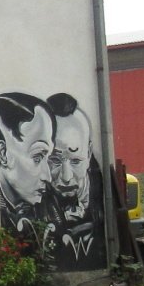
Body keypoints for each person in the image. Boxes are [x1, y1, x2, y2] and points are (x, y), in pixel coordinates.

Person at [43, 93, 104, 272]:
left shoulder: (103, 196)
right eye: (54, 160)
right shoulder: (34, 200)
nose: (66, 176)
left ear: (89, 152)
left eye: (76, 161)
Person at [0, 92, 54, 259]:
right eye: (38, 157)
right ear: (3, 154)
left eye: (49, 158)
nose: (48, 176)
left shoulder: (50, 206)